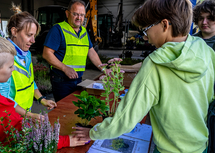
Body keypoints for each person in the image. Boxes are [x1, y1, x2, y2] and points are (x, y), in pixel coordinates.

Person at [72, 0, 215, 152]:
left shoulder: (155, 64)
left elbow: (126, 118)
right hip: (201, 146)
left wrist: (93, 133)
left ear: (164, 25)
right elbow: (210, 97)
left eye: (146, 31)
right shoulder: (206, 52)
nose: (145, 38)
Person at [0, 4, 57, 120]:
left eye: (34, 35)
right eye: (29, 35)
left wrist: (41, 99)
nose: (33, 41)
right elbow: (3, 98)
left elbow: (30, 81)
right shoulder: (2, 57)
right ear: (14, 31)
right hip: (9, 117)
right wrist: (30, 115)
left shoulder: (26, 54)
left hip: (25, 114)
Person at [42, 0, 104, 102]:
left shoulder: (84, 32)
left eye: (82, 15)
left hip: (78, 80)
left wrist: (103, 69)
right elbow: (46, 53)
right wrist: (65, 68)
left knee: (75, 109)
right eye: (75, 14)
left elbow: (91, 52)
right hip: (61, 81)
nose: (79, 18)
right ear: (67, 13)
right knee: (64, 111)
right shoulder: (58, 29)